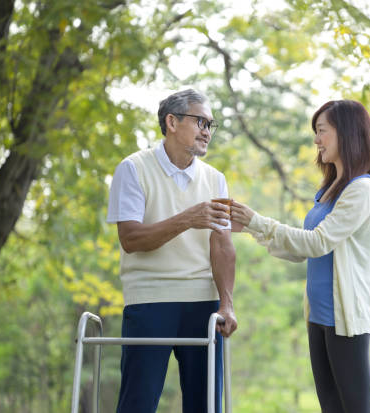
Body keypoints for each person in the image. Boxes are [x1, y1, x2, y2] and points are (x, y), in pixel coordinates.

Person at [231, 100, 370, 413]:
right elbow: (301, 252)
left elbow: (317, 243)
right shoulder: (330, 190)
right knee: (331, 407)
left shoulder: (363, 189)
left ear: (347, 134)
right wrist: (248, 228)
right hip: (318, 317)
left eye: (322, 131)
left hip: (346, 320)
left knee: (356, 407)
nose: (316, 140)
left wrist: (257, 220)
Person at [106, 89, 237, 413]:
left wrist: (227, 303)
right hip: (149, 299)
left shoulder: (215, 179)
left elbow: (222, 244)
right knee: (138, 403)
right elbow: (131, 239)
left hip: (204, 305)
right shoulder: (133, 168)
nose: (207, 130)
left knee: (206, 405)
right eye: (200, 121)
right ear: (172, 122)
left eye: (211, 124)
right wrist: (188, 218)